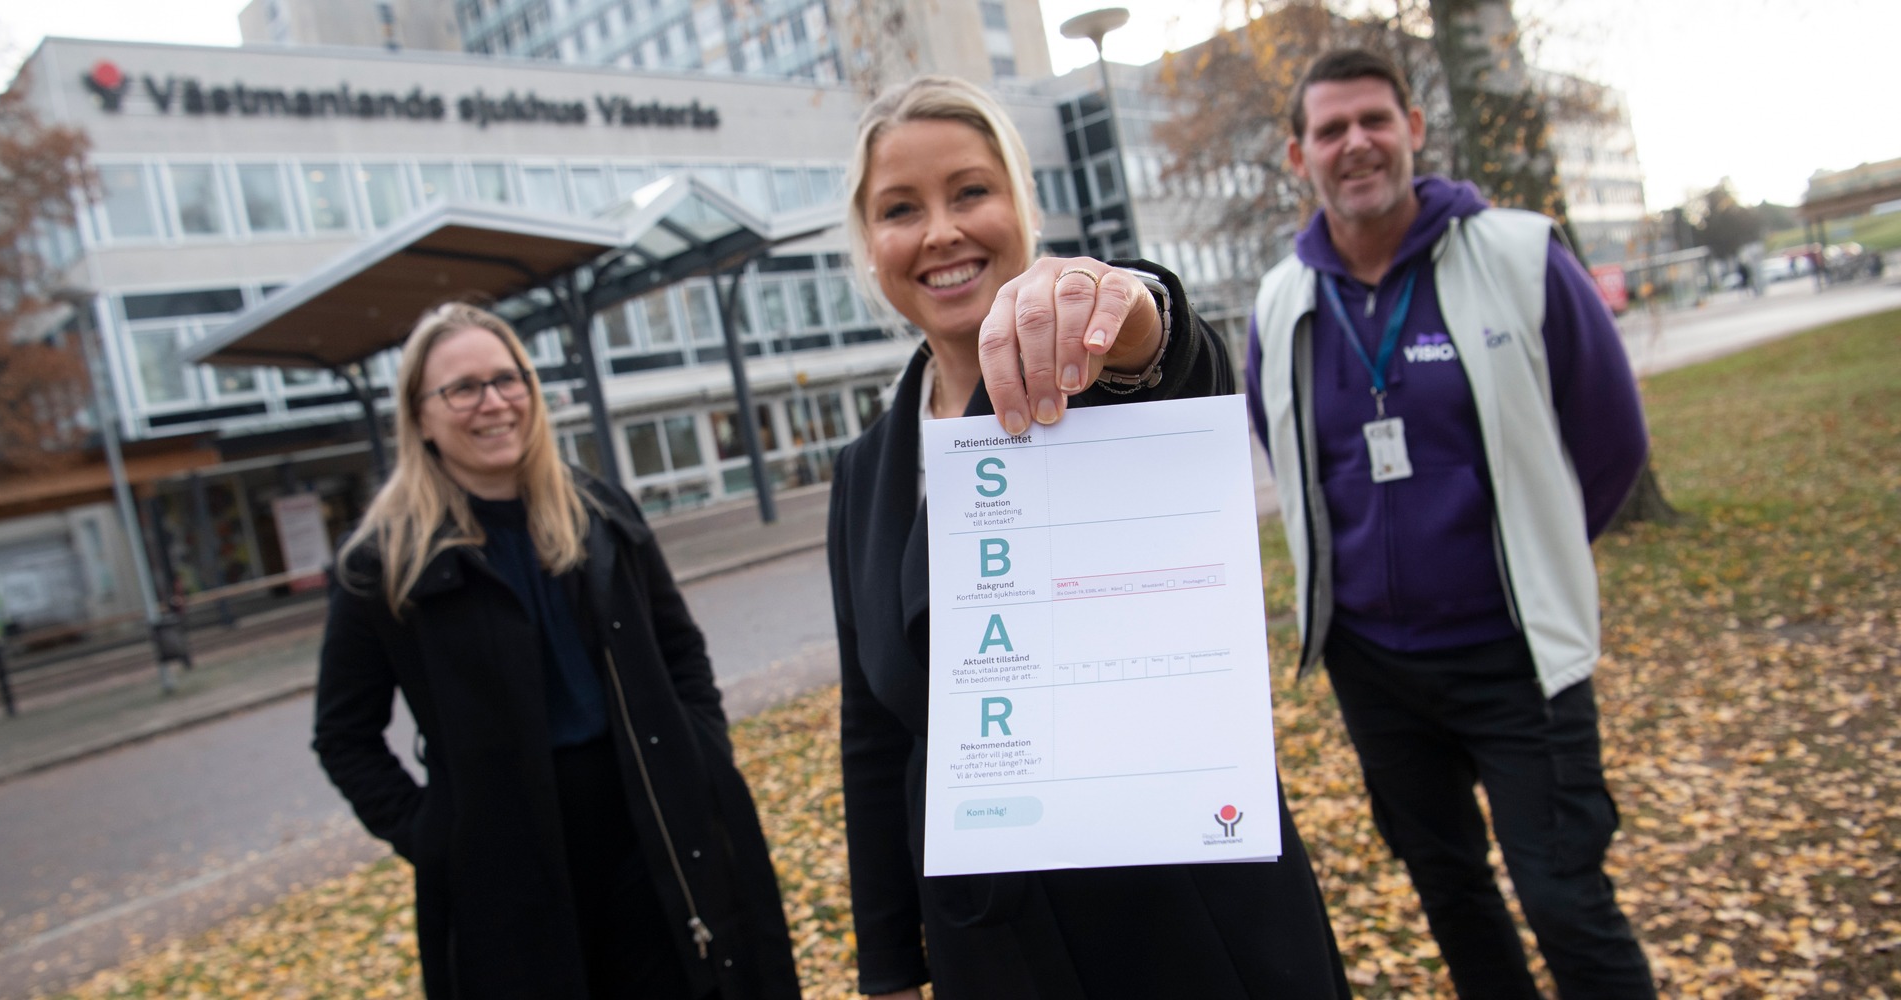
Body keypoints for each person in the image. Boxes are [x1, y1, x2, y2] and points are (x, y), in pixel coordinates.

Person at [827, 74, 1351, 1000]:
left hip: (1186, 916)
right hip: (990, 941)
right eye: (901, 208)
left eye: (972, 191)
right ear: (870, 247)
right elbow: (873, 735)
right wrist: (888, 964)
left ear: (1024, 206)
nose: (941, 229)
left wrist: (1134, 319)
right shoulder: (865, 474)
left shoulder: (1090, 369)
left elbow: (1168, 355)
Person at [1245, 48, 1657, 1000]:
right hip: (1374, 670)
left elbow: (1609, 441)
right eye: (1330, 129)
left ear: (1414, 130)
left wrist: (1533, 556)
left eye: (1374, 121)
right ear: (1299, 154)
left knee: (1565, 900)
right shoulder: (1283, 300)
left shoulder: (1519, 255)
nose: (1356, 144)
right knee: (1451, 893)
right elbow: (1290, 452)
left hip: (1518, 659)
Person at [313, 302, 801, 1000]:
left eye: (508, 380)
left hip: (653, 832)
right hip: (506, 873)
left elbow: (680, 649)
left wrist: (701, 750)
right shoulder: (383, 564)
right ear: (419, 415)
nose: (494, 403)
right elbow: (343, 736)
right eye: (463, 388)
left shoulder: (598, 513)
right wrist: (434, 836)